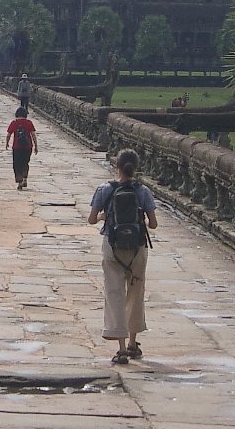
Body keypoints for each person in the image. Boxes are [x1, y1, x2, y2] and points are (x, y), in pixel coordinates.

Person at [87, 148, 158, 365]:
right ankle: (133, 343)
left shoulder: (105, 189)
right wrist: (139, 220)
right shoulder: (143, 191)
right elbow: (153, 224)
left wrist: (104, 216)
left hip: (113, 246)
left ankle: (121, 348)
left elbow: (91, 219)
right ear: (136, 167)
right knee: (135, 292)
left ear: (116, 165)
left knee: (114, 293)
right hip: (137, 248)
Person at [5, 106, 38, 190]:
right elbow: (33, 135)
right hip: (28, 146)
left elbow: (8, 134)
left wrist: (7, 143)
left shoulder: (14, 123)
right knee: (25, 163)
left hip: (17, 147)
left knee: (17, 164)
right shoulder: (29, 123)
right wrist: (36, 145)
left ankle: (20, 181)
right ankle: (25, 178)